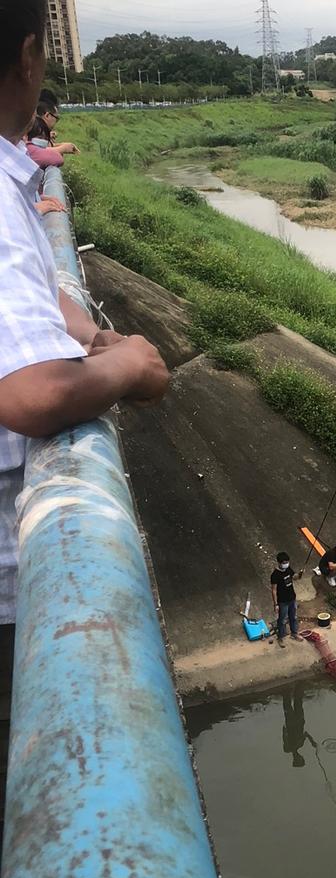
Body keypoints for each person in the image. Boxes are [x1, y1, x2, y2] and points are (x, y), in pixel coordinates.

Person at [0, 0, 169, 741]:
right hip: (17, 600)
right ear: (32, 55)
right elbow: (34, 394)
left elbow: (27, 293)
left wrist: (82, 329)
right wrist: (128, 360)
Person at [270, 551, 298, 648]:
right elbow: (273, 590)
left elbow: (294, 577)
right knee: (282, 620)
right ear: (279, 562)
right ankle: (280, 637)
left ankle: (294, 633)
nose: (286, 564)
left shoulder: (288, 569)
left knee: (293, 617)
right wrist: (275, 604)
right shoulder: (275, 575)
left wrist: (299, 575)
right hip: (282, 601)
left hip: (292, 598)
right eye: (284, 562)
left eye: (287, 562)